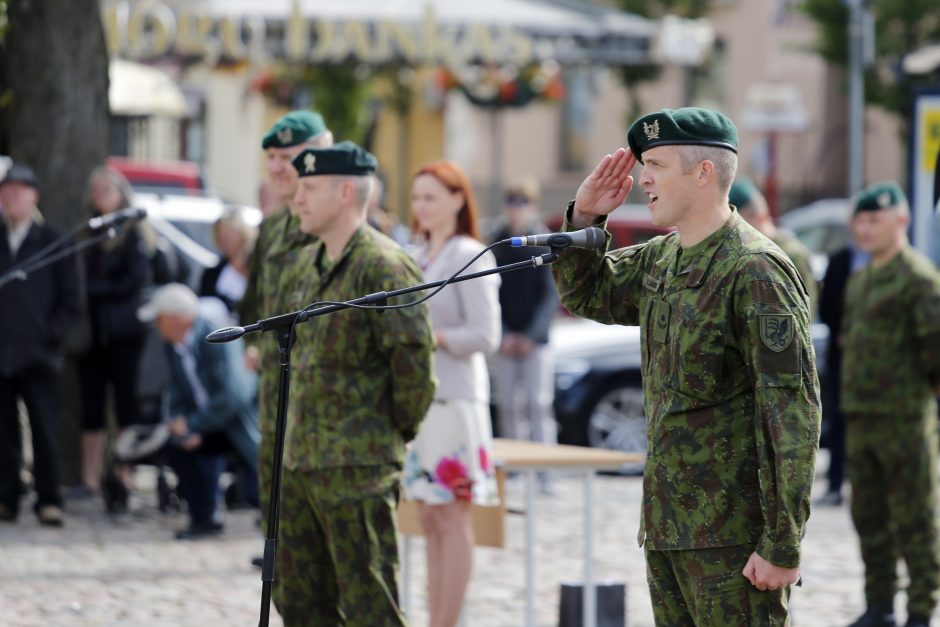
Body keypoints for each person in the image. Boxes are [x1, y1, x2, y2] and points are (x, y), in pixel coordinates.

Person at [552, 107, 820, 625]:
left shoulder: (755, 269)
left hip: (733, 539)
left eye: (656, 164)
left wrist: (782, 542)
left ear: (703, 173)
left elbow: (791, 412)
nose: (643, 178)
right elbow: (589, 293)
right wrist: (584, 217)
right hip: (670, 528)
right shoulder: (663, 259)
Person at [275, 141, 435, 624]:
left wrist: (388, 437)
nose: (296, 199)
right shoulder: (306, 266)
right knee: (300, 604)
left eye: (309, 189)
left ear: (346, 193)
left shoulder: (384, 266)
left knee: (370, 605)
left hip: (358, 465)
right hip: (301, 462)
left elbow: (414, 369)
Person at [402, 160, 501, 627]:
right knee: (427, 516)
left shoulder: (470, 253)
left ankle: (446, 621)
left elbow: (485, 336)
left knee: (451, 518)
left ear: (458, 200)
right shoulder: (416, 253)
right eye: (417, 197)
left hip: (456, 401)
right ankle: (434, 618)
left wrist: (431, 337)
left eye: (432, 197)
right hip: (421, 402)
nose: (421, 206)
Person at [840, 182, 940, 627]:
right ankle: (879, 604)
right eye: (859, 220)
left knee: (915, 519)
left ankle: (921, 608)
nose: (865, 229)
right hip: (862, 417)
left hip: (904, 420)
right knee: (869, 517)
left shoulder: (919, 279)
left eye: (874, 220)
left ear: (900, 221)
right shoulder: (861, 279)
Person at [237, 110, 332, 563]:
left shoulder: (338, 227)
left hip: (323, 403)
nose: (276, 167)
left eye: (287, 157)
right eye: (271, 158)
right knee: (279, 523)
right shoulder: (272, 228)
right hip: (275, 396)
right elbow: (254, 305)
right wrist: (254, 343)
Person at [137, 283, 260, 540]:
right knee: (177, 446)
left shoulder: (218, 336)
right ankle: (204, 517)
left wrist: (195, 423)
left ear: (175, 319)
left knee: (259, 483)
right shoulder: (173, 345)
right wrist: (180, 424)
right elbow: (174, 390)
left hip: (239, 425)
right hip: (207, 422)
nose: (156, 326)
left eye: (159, 319)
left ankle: (274, 535)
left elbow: (235, 395)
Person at [0, 163, 81, 527]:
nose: (11, 197)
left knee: (45, 429)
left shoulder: (54, 241)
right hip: (3, 352)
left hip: (39, 353)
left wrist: (52, 335)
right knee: (3, 432)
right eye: (6, 191)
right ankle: (7, 496)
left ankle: (50, 498)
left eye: (19, 191)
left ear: (34, 197)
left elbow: (71, 298)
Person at [77, 166, 152, 509]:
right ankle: (89, 477)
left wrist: (93, 291)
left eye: (106, 190)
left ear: (121, 193)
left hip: (124, 332)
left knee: (126, 404)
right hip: (93, 334)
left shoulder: (133, 232)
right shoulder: (91, 234)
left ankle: (125, 473)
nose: (100, 197)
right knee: (91, 405)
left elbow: (132, 283)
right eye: (96, 191)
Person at [488, 177, 559, 466]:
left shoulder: (543, 241)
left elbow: (550, 297)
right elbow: (489, 293)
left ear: (534, 206)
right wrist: (503, 333)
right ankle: (512, 466)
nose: (516, 209)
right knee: (507, 406)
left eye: (523, 202)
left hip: (536, 342)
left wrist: (531, 335)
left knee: (538, 404)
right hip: (504, 339)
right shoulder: (497, 243)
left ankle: (544, 468)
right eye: (511, 202)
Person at [816, 213, 869, 507]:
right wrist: (841, 332)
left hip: (879, 363)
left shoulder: (886, 262)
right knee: (839, 419)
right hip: (843, 356)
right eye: (859, 222)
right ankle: (836, 485)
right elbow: (826, 306)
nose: (864, 230)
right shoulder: (839, 262)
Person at [729, 178, 818, 315]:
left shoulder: (791, 255)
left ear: (761, 218)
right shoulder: (743, 254)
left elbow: (804, 315)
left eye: (742, 224)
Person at [198, 206, 257, 319]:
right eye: (220, 234)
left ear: (242, 233)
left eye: (229, 233)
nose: (224, 238)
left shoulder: (259, 266)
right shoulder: (212, 273)